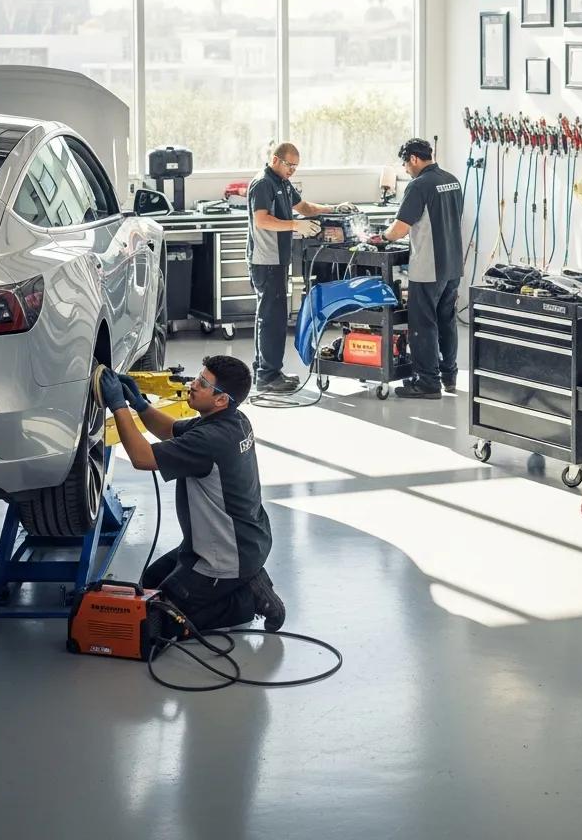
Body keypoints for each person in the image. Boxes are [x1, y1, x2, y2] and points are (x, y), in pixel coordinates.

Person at [97, 356, 286, 632]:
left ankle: (249, 597)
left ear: (221, 399)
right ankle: (247, 575)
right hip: (242, 540)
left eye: (203, 383)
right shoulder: (233, 420)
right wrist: (140, 405)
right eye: (198, 377)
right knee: (150, 582)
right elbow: (170, 431)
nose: (193, 385)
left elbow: (141, 457)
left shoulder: (209, 440)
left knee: (158, 622)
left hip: (225, 555)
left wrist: (118, 406)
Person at [247, 142, 357, 393]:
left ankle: (266, 370)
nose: (293, 170)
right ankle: (267, 376)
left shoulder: (282, 182)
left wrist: (334, 208)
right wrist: (295, 226)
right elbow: (261, 220)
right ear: (276, 160)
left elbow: (304, 208)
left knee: (271, 316)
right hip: (266, 260)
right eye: (289, 165)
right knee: (272, 319)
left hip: (277, 259)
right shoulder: (264, 183)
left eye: (296, 166)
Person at [374, 138, 464, 399]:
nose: (405, 169)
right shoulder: (452, 180)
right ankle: (449, 376)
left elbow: (400, 228)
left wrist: (381, 238)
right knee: (447, 320)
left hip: (428, 267)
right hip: (453, 264)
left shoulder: (419, 185)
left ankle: (427, 383)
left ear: (414, 158)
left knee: (423, 324)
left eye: (405, 163)